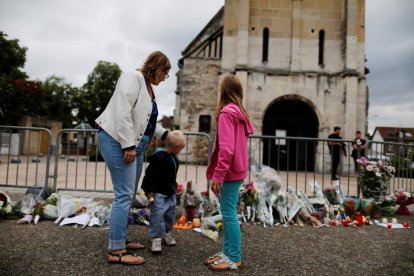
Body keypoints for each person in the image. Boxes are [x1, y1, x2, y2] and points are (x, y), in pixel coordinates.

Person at [96, 51, 171, 265]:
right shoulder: (133, 78)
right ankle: (116, 250)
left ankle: (120, 238)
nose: (164, 79)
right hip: (117, 140)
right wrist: (128, 144)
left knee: (128, 194)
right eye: (165, 74)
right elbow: (122, 111)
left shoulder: (148, 89)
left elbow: (146, 121)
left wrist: (165, 135)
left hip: (135, 146)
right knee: (124, 193)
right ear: (157, 68)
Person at [204, 74, 254, 272]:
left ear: (223, 91)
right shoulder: (239, 112)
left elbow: (227, 149)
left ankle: (234, 257)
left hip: (230, 171)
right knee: (228, 211)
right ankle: (226, 252)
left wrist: (218, 174)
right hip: (238, 169)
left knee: (228, 213)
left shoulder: (227, 113)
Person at [141, 130, 185, 254]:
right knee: (157, 216)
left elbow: (172, 176)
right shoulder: (158, 158)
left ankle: (167, 233)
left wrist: (175, 187)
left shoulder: (174, 159)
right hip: (158, 194)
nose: (180, 151)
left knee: (169, 215)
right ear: (176, 147)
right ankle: (156, 238)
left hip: (170, 193)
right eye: (181, 149)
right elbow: (149, 175)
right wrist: (148, 191)